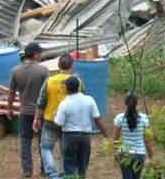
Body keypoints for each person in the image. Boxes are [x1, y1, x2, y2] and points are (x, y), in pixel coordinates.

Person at [8, 42, 49, 178]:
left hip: (24, 112)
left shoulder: (15, 71)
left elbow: (12, 93)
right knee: (43, 141)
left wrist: (9, 108)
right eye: (40, 53)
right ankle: (44, 169)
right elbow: (47, 92)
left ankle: (27, 170)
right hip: (41, 112)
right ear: (36, 54)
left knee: (25, 140)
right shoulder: (43, 70)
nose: (41, 55)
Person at [54, 76, 107, 179]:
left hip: (70, 137)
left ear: (67, 88)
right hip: (85, 137)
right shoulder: (89, 100)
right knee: (82, 165)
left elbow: (59, 123)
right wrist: (105, 133)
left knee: (69, 166)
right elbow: (97, 119)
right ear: (78, 87)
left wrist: (54, 116)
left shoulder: (64, 103)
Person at [33, 54, 76, 179]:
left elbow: (41, 102)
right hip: (69, 122)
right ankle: (63, 174)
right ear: (72, 66)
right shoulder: (76, 82)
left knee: (45, 147)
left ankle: (52, 173)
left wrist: (36, 118)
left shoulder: (49, 81)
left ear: (58, 66)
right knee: (65, 150)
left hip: (50, 120)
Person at [114, 94, 153, 179]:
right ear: (137, 104)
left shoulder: (120, 118)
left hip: (124, 153)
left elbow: (116, 138)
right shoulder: (144, 118)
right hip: (140, 154)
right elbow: (148, 140)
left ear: (125, 104)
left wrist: (115, 152)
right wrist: (150, 156)